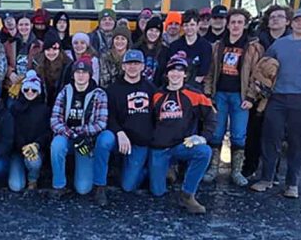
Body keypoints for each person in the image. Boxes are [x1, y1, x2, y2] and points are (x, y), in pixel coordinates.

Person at [249, 8, 301, 199]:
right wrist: (263, 85)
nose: (300, 24)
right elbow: (265, 65)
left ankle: (292, 184)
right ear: (291, 23)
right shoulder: (280, 45)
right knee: (270, 139)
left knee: (297, 142)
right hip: (277, 98)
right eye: (297, 20)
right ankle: (266, 179)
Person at [202, 8, 264, 186]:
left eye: (239, 22)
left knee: (238, 135)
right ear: (227, 25)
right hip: (219, 94)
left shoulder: (253, 47)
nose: (236, 26)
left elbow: (256, 74)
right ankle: (213, 168)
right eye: (233, 22)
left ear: (244, 25)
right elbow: (211, 72)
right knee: (216, 133)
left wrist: (251, 97)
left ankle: (236, 171)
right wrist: (208, 94)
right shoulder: (218, 46)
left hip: (240, 96)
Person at [150, 53, 216, 214]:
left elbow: (211, 118)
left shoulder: (195, 95)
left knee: (204, 151)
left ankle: (187, 194)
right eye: (172, 70)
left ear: (185, 74)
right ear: (167, 74)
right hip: (160, 148)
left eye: (180, 70)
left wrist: (203, 137)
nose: (175, 73)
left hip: (182, 145)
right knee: (157, 192)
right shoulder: (157, 95)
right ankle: (167, 169)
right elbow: (149, 121)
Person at [95, 49, 156, 200]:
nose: (132, 67)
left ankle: (146, 169)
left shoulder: (152, 89)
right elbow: (109, 116)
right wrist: (119, 132)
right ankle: (99, 186)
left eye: (136, 63)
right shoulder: (113, 90)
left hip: (140, 142)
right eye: (129, 63)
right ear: (123, 66)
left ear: (142, 66)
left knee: (128, 187)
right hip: (119, 137)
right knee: (103, 140)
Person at [243, 5, 292, 178]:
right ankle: (249, 166)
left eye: (280, 16)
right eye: (272, 17)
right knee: (253, 132)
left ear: (287, 21)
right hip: (256, 92)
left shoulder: (293, 42)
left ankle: (272, 171)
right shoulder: (257, 42)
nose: (275, 19)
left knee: (275, 134)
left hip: (281, 94)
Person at [49, 57, 108, 199]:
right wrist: (73, 134)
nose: (80, 75)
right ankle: (59, 185)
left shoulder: (99, 94)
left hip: (86, 141)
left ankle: (93, 180)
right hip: (68, 136)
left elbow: (101, 123)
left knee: (83, 189)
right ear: (73, 74)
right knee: (57, 145)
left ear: (90, 74)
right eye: (77, 72)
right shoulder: (65, 91)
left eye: (84, 72)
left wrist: (82, 133)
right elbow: (55, 120)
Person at [8, 71, 50, 192]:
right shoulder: (14, 108)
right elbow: (11, 130)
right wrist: (22, 145)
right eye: (26, 90)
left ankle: (33, 179)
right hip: (17, 150)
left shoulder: (45, 110)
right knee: (16, 186)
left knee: (34, 162)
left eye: (34, 90)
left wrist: (37, 145)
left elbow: (47, 132)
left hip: (35, 150)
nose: (30, 92)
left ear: (39, 92)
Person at [169, 9, 212, 87]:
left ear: (198, 25)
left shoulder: (206, 46)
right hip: (176, 85)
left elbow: (203, 72)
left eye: (192, 25)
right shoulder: (174, 46)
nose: (189, 28)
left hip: (196, 86)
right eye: (186, 25)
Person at [4, 13, 43, 99]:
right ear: (17, 26)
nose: (24, 27)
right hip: (13, 85)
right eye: (21, 24)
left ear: (31, 25)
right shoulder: (9, 44)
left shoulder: (39, 45)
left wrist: (28, 76)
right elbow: (2, 63)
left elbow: (41, 66)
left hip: (31, 87)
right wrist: (10, 73)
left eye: (26, 24)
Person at [34, 30, 72, 108]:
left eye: (54, 49)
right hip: (42, 105)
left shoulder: (68, 65)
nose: (51, 53)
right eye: (48, 50)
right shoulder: (37, 63)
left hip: (62, 105)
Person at [136, 16, 169, 87]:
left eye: (157, 31)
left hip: (157, 88)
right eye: (151, 30)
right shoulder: (137, 48)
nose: (153, 33)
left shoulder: (165, 51)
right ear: (146, 31)